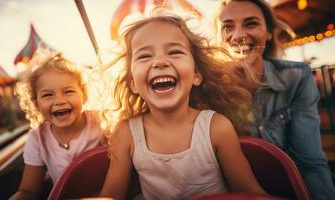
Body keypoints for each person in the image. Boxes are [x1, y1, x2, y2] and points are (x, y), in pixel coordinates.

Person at [98, 13, 267, 200]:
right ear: (133, 83)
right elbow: (111, 196)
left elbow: (250, 193)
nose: (160, 62)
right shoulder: (126, 133)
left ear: (196, 74)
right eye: (144, 56)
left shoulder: (216, 128)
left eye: (174, 52)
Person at [212, 0, 335, 199]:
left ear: (269, 32)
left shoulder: (297, 78)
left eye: (251, 23)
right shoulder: (205, 87)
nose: (238, 35)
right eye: (227, 27)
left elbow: (310, 163)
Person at [10, 53, 104, 200]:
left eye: (69, 91)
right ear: (36, 103)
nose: (60, 101)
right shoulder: (37, 139)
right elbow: (28, 191)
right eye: (48, 95)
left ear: (84, 95)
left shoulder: (102, 122)